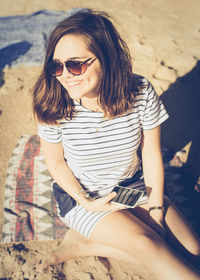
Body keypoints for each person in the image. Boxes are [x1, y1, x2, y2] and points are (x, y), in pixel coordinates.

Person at [33, 10, 200, 279]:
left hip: (130, 185)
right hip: (85, 197)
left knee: (192, 248)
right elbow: (55, 162)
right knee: (148, 245)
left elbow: (151, 154)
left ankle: (86, 244)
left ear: (107, 58)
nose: (65, 75)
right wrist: (85, 201)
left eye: (75, 65)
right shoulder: (53, 102)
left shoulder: (140, 92)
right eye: (56, 66)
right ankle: (81, 239)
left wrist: (156, 209)